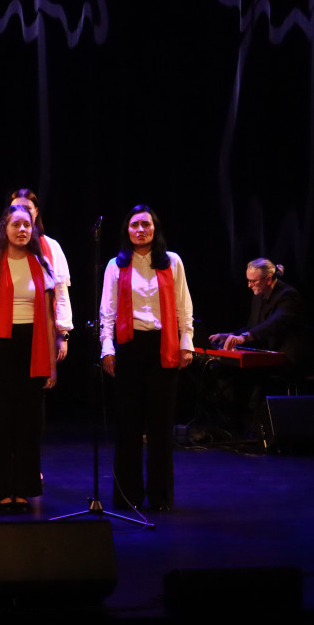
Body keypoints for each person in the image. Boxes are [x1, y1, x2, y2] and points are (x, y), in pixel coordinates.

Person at [100, 205, 194, 512]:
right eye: (135, 225)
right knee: (127, 425)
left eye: (146, 225)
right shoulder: (116, 265)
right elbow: (108, 312)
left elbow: (183, 306)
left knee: (161, 425)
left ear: (155, 228)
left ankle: (160, 496)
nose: (141, 230)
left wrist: (186, 341)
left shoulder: (172, 262)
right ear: (127, 231)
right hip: (129, 346)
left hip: (163, 345)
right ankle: (127, 496)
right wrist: (107, 347)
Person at [0, 205, 59, 512]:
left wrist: (51, 364)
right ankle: (2, 489)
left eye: (27, 225)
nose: (22, 230)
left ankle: (23, 489)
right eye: (16, 225)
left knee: (28, 425)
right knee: (1, 422)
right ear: (4, 229)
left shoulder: (41, 263)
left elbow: (49, 320)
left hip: (32, 349)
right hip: (0, 347)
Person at [208, 259, 309, 370]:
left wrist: (244, 337)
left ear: (269, 279)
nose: (249, 285)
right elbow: (253, 326)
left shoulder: (288, 295)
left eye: (253, 281)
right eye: (248, 281)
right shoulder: (259, 295)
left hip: (289, 358)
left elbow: (275, 323)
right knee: (223, 369)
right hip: (268, 355)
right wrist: (230, 335)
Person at [10, 189, 73, 359]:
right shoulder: (1, 250)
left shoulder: (51, 247)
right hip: (9, 331)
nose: (21, 213)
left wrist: (63, 333)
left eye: (27, 208)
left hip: (45, 330)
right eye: (16, 209)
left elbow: (61, 293)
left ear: (36, 212)